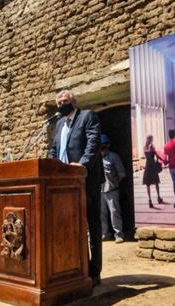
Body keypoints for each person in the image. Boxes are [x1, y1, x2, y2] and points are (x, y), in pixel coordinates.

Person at [48, 90, 104, 287]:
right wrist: (51, 165)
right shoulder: (59, 124)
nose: (62, 104)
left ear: (73, 102)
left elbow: (93, 143)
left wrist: (82, 164)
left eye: (65, 101)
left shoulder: (87, 116)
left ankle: (94, 271)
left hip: (86, 179)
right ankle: (76, 268)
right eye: (59, 102)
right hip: (64, 185)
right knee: (71, 226)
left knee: (92, 226)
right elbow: (54, 149)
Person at [99, 134, 126, 243]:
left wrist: (114, 184)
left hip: (112, 190)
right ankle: (105, 234)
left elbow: (121, 174)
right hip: (100, 190)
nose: (102, 149)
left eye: (104, 146)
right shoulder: (96, 157)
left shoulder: (114, 157)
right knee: (101, 214)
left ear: (108, 145)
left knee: (114, 212)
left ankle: (118, 234)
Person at [143, 135, 165, 208]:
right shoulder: (152, 146)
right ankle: (158, 197)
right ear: (151, 139)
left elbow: (147, 157)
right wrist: (164, 160)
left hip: (147, 166)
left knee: (148, 184)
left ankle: (150, 201)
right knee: (156, 183)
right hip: (152, 166)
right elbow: (157, 156)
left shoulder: (144, 147)